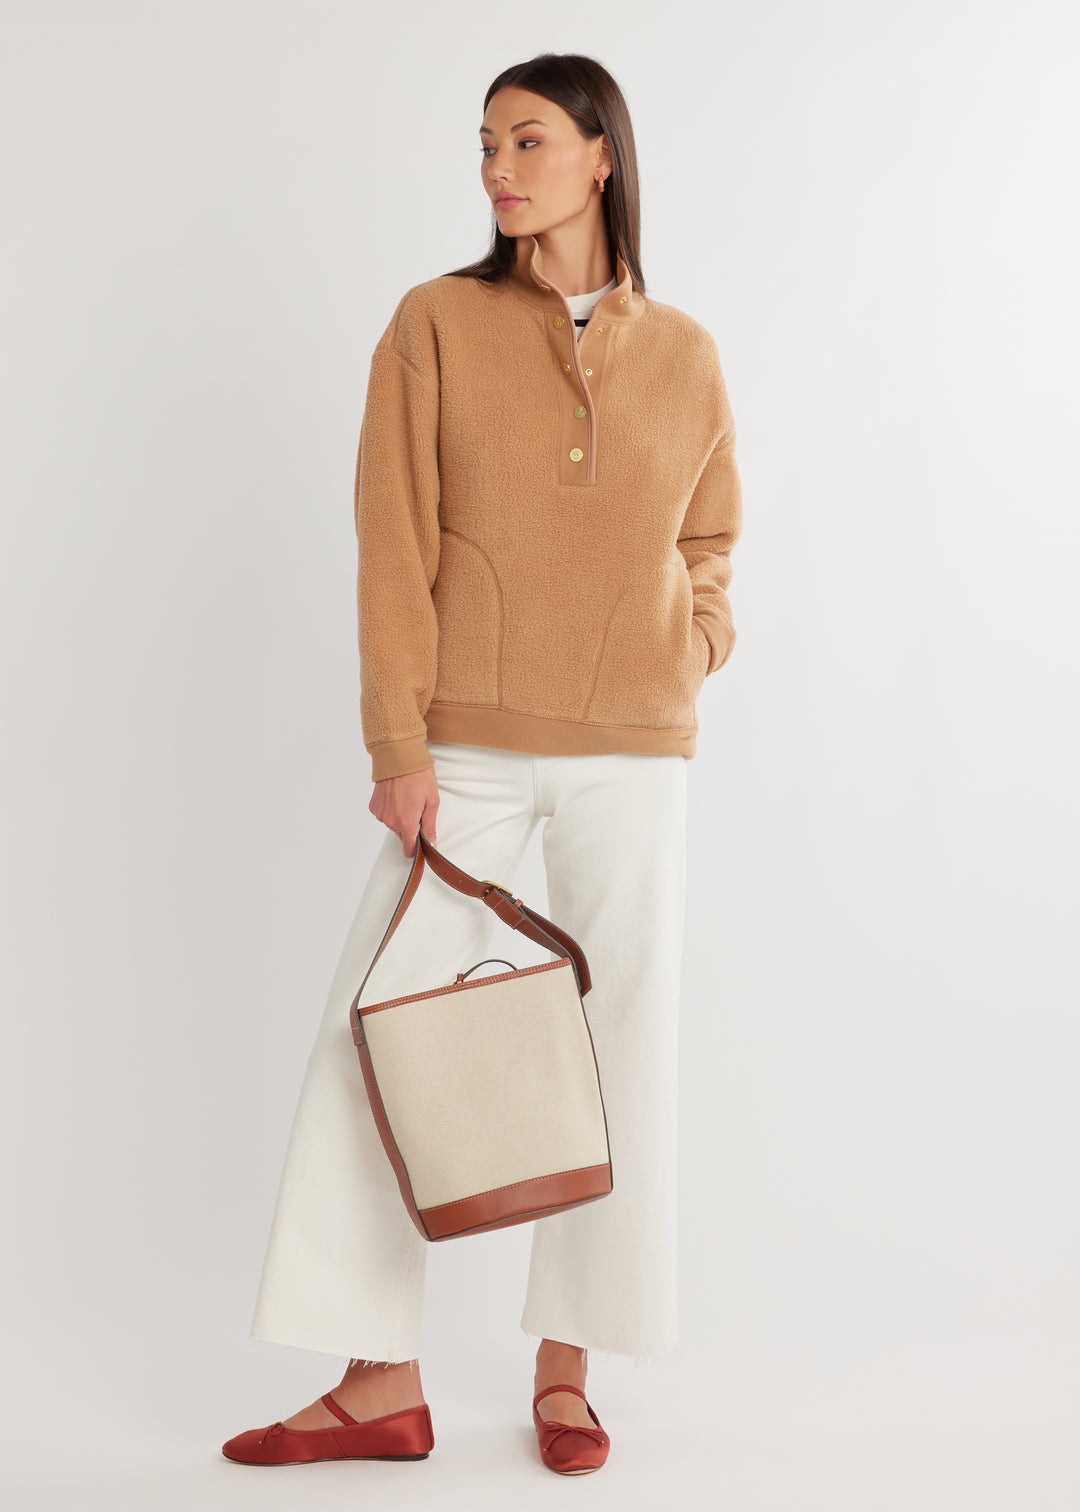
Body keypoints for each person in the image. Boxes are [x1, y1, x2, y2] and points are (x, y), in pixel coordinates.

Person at [221, 50, 742, 1477]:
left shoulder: (685, 352)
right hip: (466, 751)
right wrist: (397, 737)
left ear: (601, 156)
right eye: (487, 146)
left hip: (636, 750)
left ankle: (569, 1369)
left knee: (623, 1046)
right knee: (374, 1025)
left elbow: (711, 538)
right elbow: (392, 536)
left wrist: (692, 645)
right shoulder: (434, 324)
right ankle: (375, 1377)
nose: (499, 168)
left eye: (528, 140)